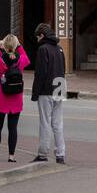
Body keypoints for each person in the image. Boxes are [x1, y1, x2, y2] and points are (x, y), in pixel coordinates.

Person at [0, 34, 31, 163]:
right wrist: (19, 46)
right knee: (13, 128)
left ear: (4, 45)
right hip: (16, 97)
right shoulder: (20, 60)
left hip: (1, 97)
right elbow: (27, 59)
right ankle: (11, 155)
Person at [30, 23, 67, 164]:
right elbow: (63, 69)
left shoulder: (42, 49)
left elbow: (40, 73)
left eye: (38, 37)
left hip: (46, 89)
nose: (37, 40)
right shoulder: (60, 49)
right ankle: (60, 154)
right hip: (59, 85)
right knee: (58, 123)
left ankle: (43, 153)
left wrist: (35, 93)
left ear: (42, 35)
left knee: (45, 122)